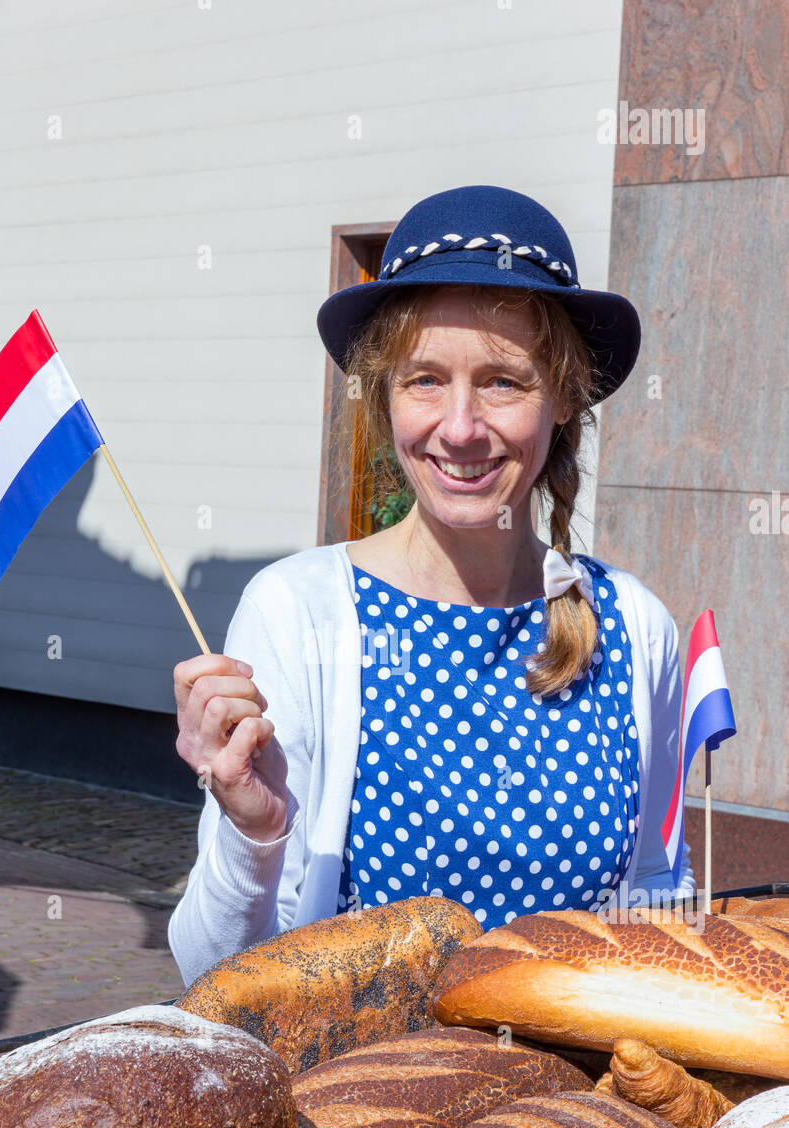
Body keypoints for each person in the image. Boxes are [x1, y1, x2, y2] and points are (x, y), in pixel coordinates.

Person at [167, 184, 694, 987]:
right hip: (356, 1106)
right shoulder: (299, 614)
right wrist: (255, 835)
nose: (459, 426)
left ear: (562, 401)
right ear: (384, 397)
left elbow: (657, 891)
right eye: (424, 380)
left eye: (503, 381)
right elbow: (216, 979)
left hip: (574, 1105)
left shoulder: (635, 626)